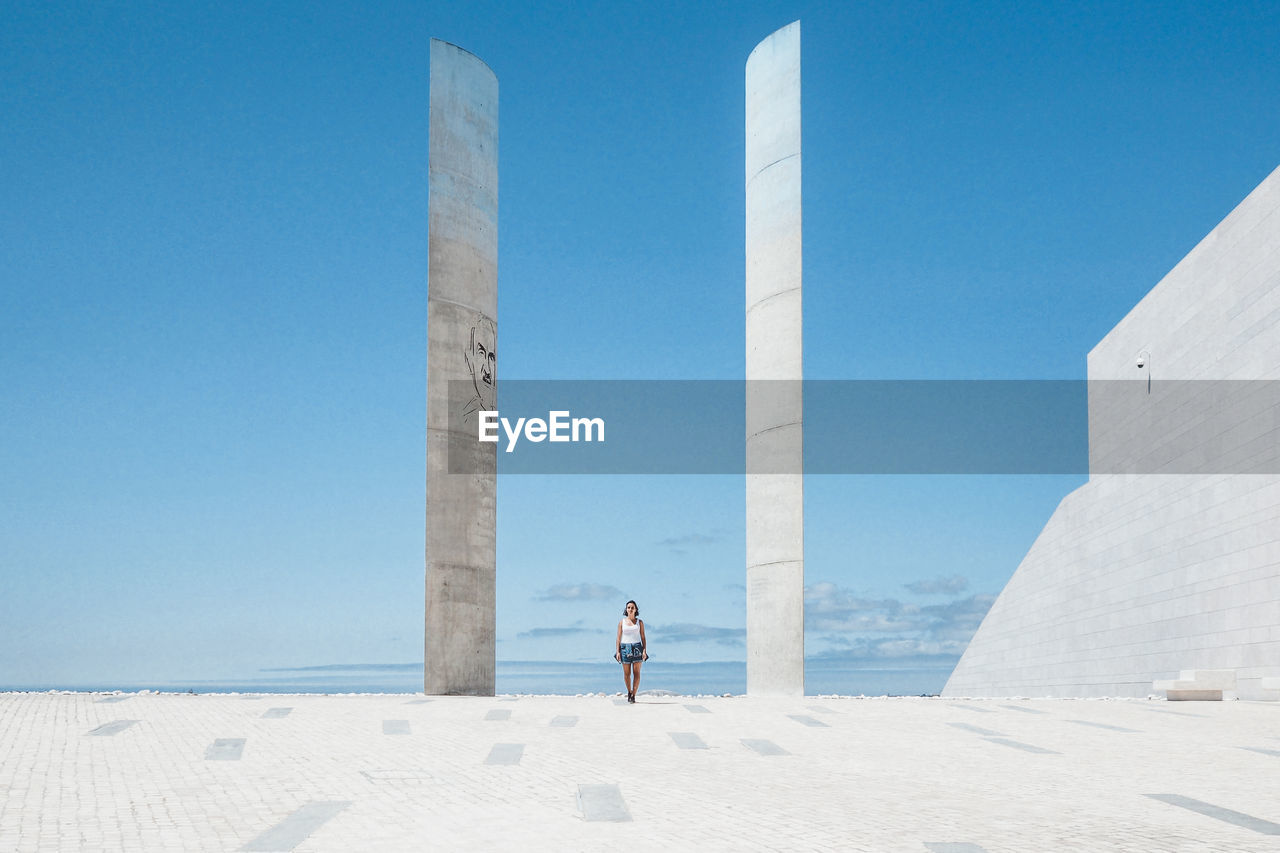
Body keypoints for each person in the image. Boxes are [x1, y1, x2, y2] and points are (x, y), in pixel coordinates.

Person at [614, 599, 648, 703]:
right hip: (625, 647)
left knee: (637, 673)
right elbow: (618, 638)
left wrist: (644, 651)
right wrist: (618, 651)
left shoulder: (640, 622)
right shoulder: (621, 622)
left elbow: (643, 637)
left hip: (637, 647)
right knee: (627, 674)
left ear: (636, 609)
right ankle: (629, 691)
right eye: (628, 607)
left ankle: (634, 694)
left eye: (632, 607)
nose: (630, 609)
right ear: (626, 609)